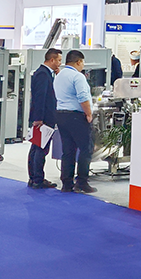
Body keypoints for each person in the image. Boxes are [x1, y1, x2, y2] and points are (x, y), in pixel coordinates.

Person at [53, 50, 96, 193]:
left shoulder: (59, 75)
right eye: (82, 62)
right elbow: (83, 97)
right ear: (78, 62)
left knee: (68, 150)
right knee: (86, 149)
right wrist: (88, 113)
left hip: (61, 115)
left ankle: (67, 183)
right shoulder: (78, 76)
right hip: (76, 116)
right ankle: (82, 182)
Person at [27, 48, 61, 189]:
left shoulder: (45, 73)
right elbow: (40, 97)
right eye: (58, 60)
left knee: (36, 147)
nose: (60, 63)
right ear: (52, 60)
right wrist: (39, 118)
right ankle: (38, 179)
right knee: (41, 149)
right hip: (44, 118)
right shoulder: (43, 74)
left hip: (42, 117)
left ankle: (34, 178)